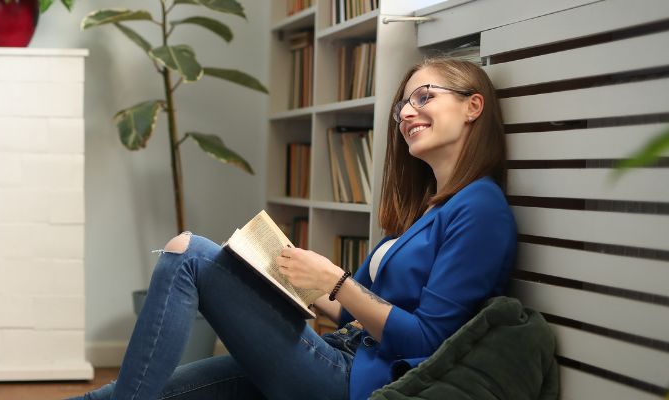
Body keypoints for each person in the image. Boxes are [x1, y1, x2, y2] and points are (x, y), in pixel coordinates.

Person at [74, 58, 517, 400]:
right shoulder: (427, 209)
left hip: (354, 381)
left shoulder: (480, 208)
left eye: (423, 97)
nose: (405, 114)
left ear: (472, 105)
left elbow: (430, 341)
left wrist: (337, 282)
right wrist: (281, 273)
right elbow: (348, 311)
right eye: (402, 105)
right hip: (339, 353)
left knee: (189, 253)